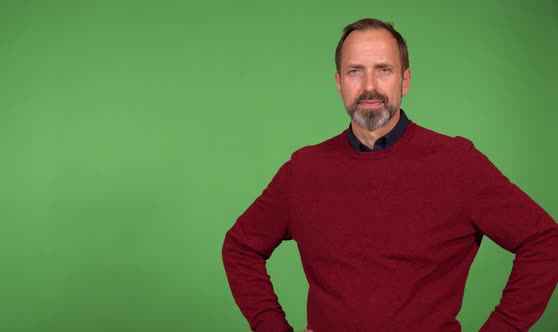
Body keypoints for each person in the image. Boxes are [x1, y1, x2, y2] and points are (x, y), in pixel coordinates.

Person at [222, 18, 558, 332]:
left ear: (405, 80)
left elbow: (545, 240)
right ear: (339, 84)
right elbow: (240, 248)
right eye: (355, 71)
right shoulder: (305, 169)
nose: (369, 86)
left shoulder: (457, 163)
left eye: (383, 70)